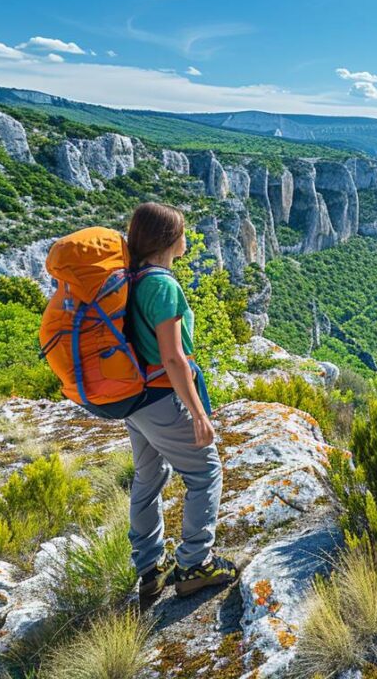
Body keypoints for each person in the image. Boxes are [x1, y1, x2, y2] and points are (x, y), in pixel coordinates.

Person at [124, 201, 238, 607]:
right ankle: (193, 565)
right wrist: (198, 413)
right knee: (206, 472)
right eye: (184, 230)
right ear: (170, 239)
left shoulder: (133, 278)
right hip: (161, 396)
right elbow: (173, 358)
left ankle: (149, 569)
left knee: (147, 479)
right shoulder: (164, 285)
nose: (188, 237)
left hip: (134, 402)